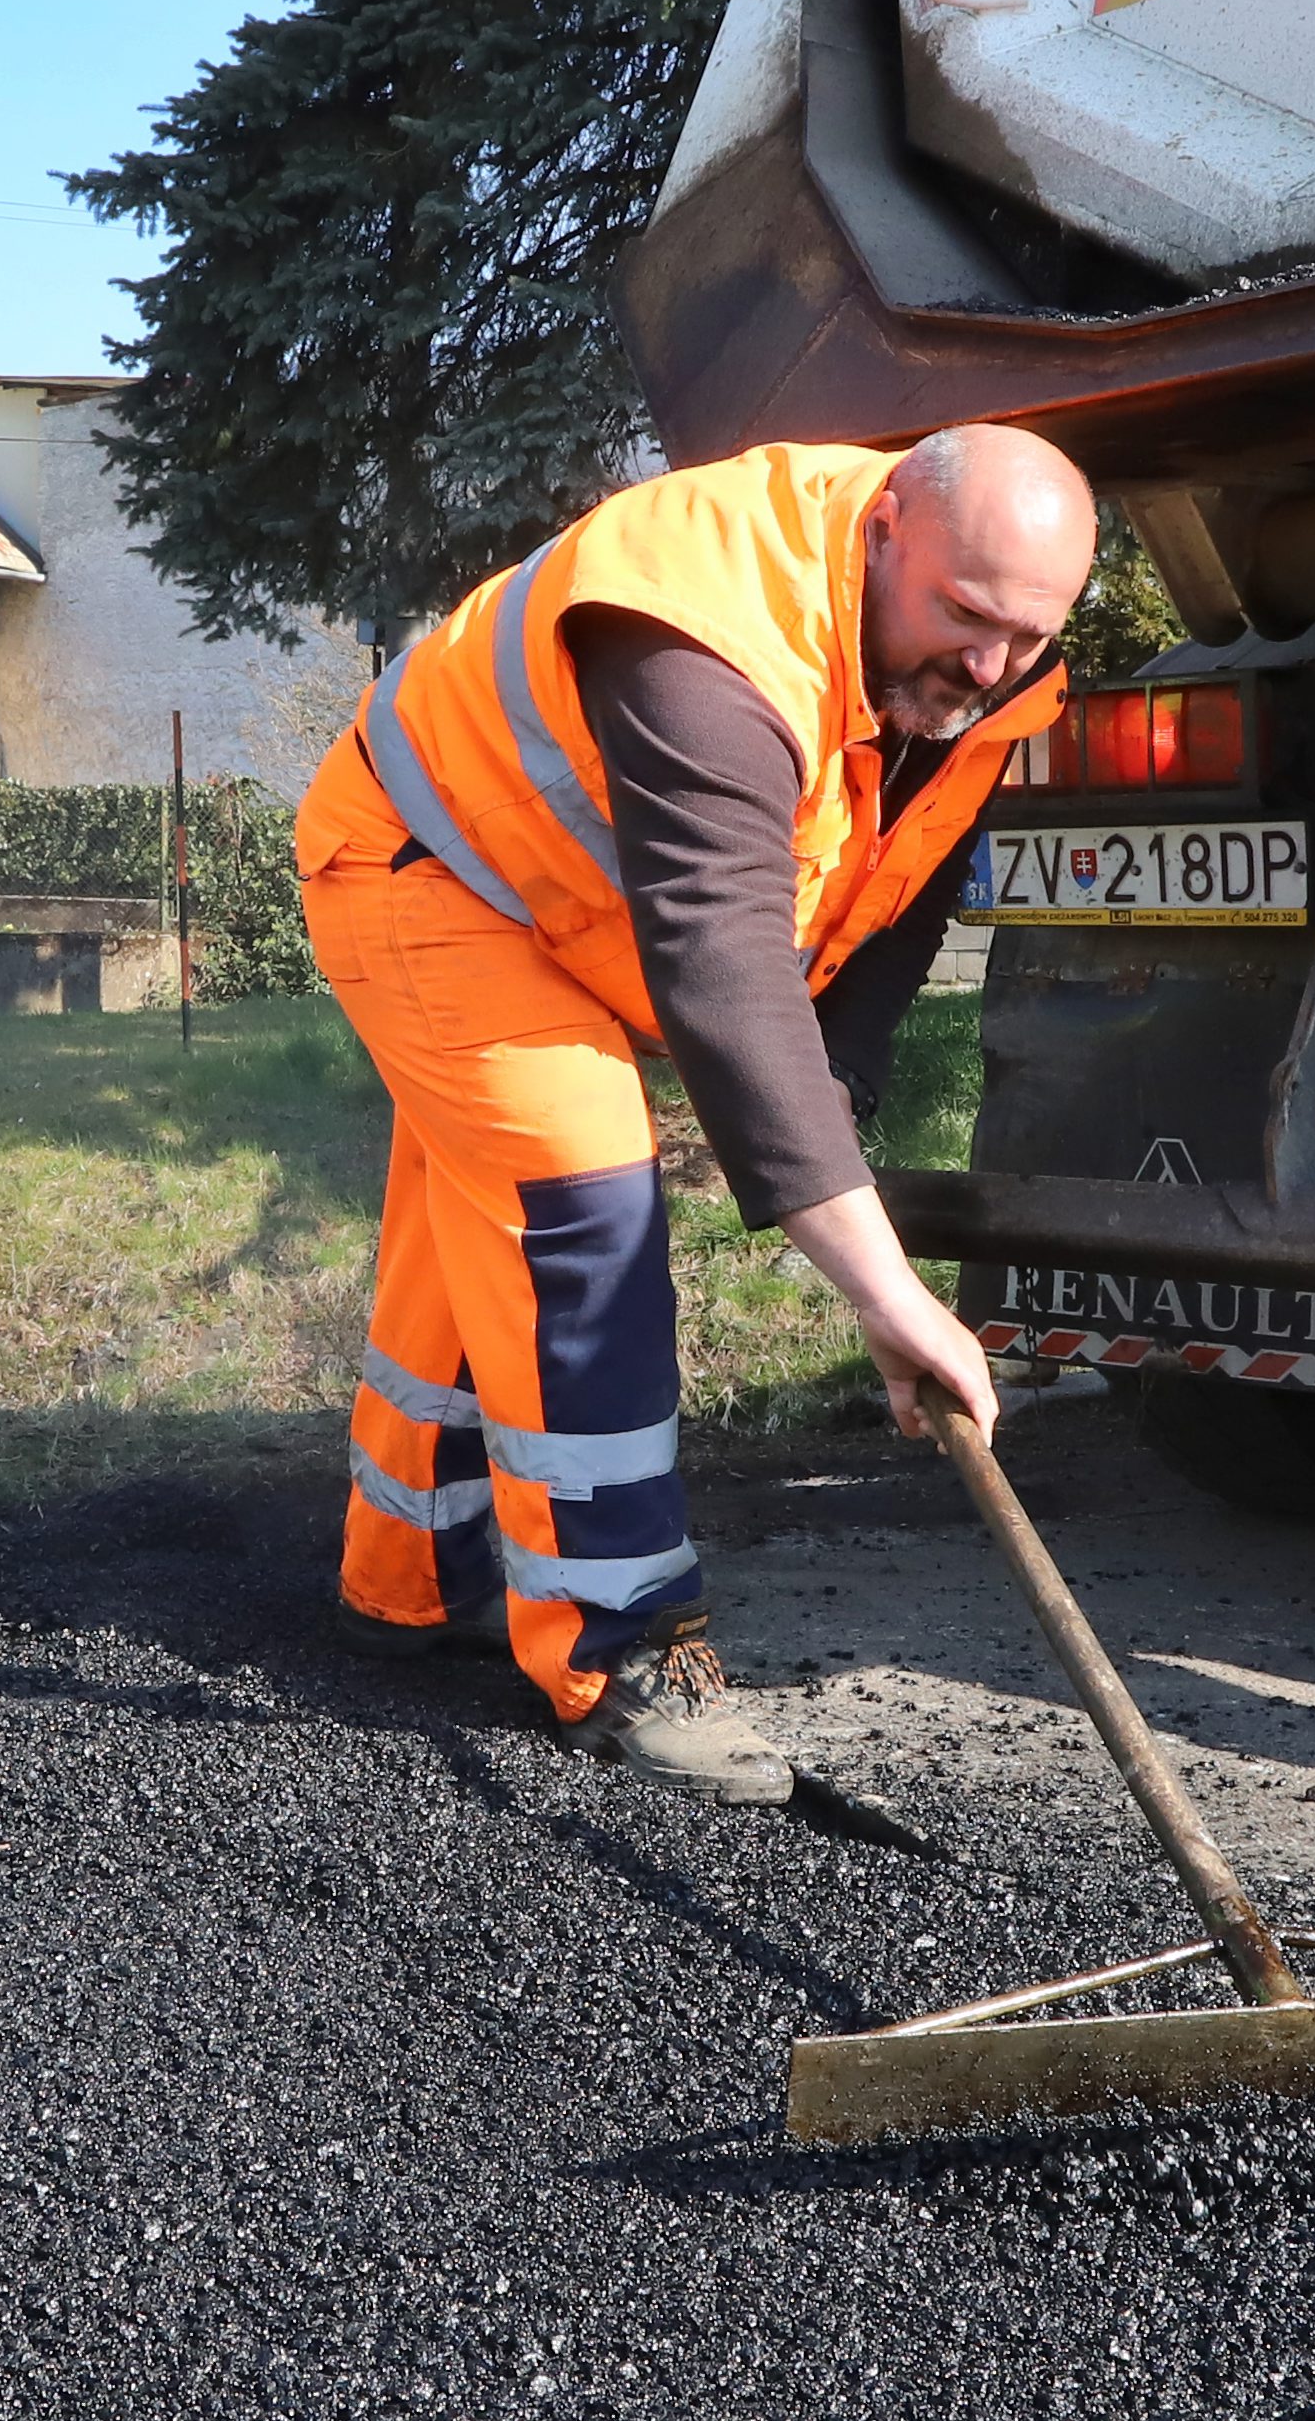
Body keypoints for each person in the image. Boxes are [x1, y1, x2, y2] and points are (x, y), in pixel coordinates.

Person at [302, 425, 1092, 1802]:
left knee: (474, 1223)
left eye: (1025, 637)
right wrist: (888, 1297)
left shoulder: (981, 683)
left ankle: (412, 1574)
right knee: (578, 1210)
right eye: (965, 617)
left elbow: (880, 922)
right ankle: (621, 1651)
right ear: (889, 520)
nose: (987, 666)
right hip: (434, 873)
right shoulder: (703, 626)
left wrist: (826, 1129)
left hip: (567, 906)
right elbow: (723, 963)